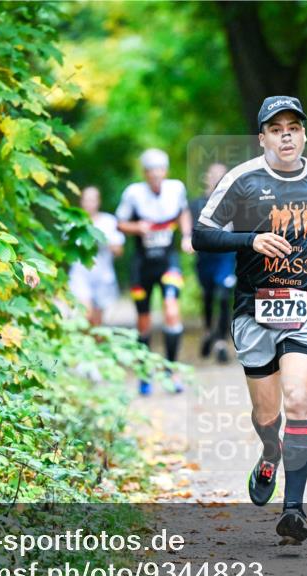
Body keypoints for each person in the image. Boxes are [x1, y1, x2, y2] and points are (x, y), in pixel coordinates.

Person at [192, 96, 307, 544]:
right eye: (276, 129)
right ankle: (270, 450)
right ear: (263, 138)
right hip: (254, 306)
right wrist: (250, 240)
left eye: (293, 126)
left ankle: (293, 509)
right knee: (266, 412)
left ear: (304, 133)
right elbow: (201, 235)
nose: (287, 135)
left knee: (297, 399)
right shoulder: (242, 180)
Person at [116, 148, 194, 395]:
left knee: (172, 310)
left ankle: (172, 371)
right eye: (150, 171)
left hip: (168, 260)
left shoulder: (176, 188)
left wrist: (187, 236)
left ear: (165, 171)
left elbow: (183, 212)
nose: (155, 175)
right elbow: (120, 223)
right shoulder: (133, 194)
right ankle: (144, 372)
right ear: (144, 173)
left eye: (159, 170)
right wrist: (136, 227)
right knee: (144, 322)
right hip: (142, 263)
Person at [189, 162, 235, 364]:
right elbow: (189, 229)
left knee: (224, 295)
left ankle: (221, 343)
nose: (217, 178)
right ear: (206, 178)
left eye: (221, 175)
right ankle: (209, 331)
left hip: (226, 256)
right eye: (213, 174)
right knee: (208, 296)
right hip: (205, 256)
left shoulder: (234, 203)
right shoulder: (197, 204)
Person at [70, 186, 125, 327]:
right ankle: (85, 345)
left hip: (103, 276)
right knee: (85, 315)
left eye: (92, 200)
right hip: (80, 275)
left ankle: (95, 347)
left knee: (97, 321)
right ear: (81, 201)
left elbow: (119, 251)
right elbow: (67, 250)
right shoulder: (73, 221)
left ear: (98, 202)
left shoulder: (109, 221)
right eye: (86, 200)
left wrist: (106, 243)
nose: (89, 204)